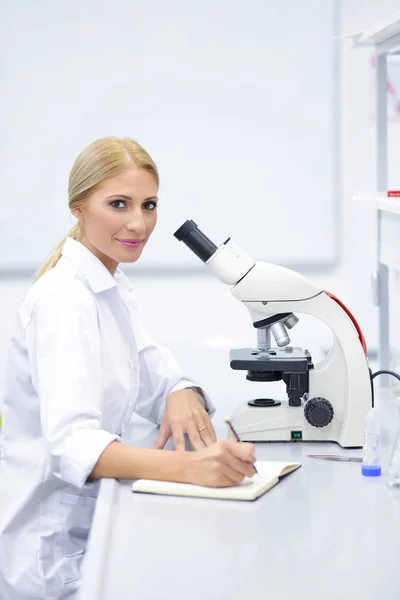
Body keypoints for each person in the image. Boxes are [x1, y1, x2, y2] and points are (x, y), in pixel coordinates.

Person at [0, 136, 256, 600]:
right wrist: (189, 467)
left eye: (149, 204)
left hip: (86, 530)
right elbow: (70, 445)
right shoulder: (63, 300)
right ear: (78, 208)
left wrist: (180, 393)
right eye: (119, 204)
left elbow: (161, 376)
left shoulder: (108, 288)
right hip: (48, 555)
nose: (139, 223)